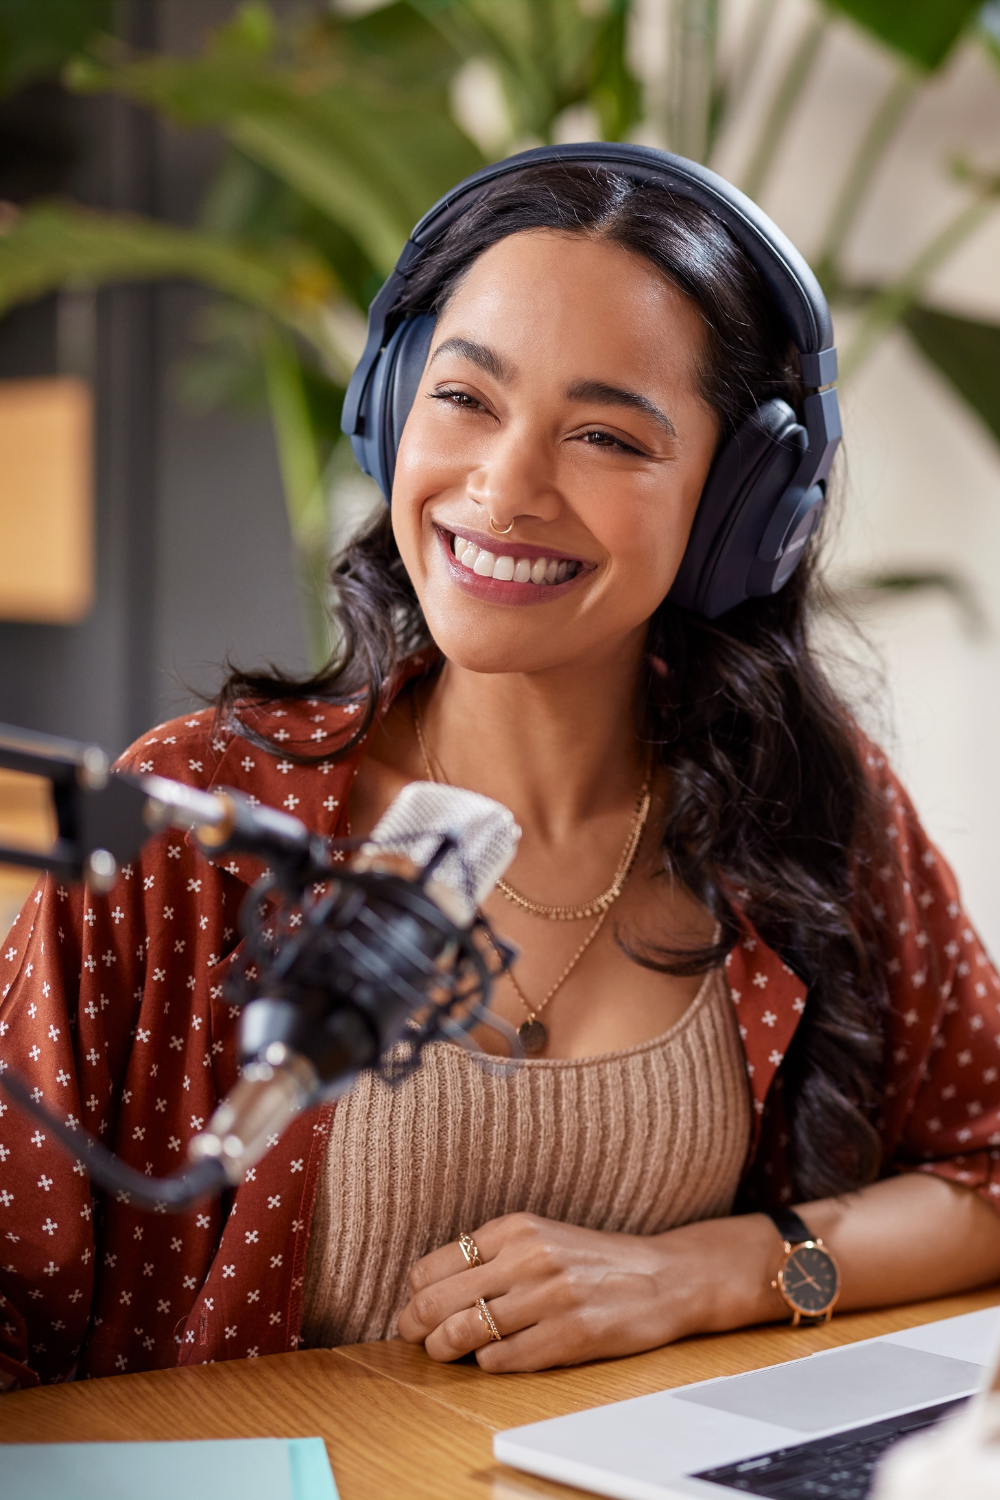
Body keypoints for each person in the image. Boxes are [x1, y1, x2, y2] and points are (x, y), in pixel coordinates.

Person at [2, 152, 1000, 1393]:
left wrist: (713, 1270)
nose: (504, 488)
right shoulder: (201, 823)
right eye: (465, 398)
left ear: (739, 503)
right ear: (389, 409)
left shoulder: (807, 813)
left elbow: (986, 1173)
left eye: (603, 434)